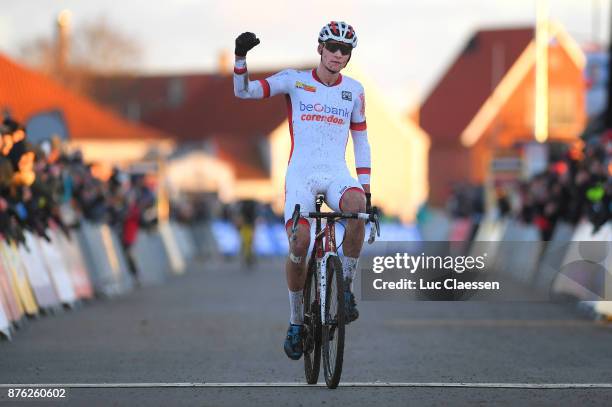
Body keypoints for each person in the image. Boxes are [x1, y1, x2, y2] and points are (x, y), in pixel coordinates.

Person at [233, 21, 372, 360]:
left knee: (357, 208)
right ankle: (296, 320)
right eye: (333, 47)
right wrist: (240, 58)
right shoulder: (294, 80)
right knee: (300, 243)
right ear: (320, 48)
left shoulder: (353, 90)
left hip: (336, 172)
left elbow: (361, 140)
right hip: (302, 176)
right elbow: (244, 92)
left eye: (345, 50)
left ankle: (346, 289)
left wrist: (367, 190)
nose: (338, 54)